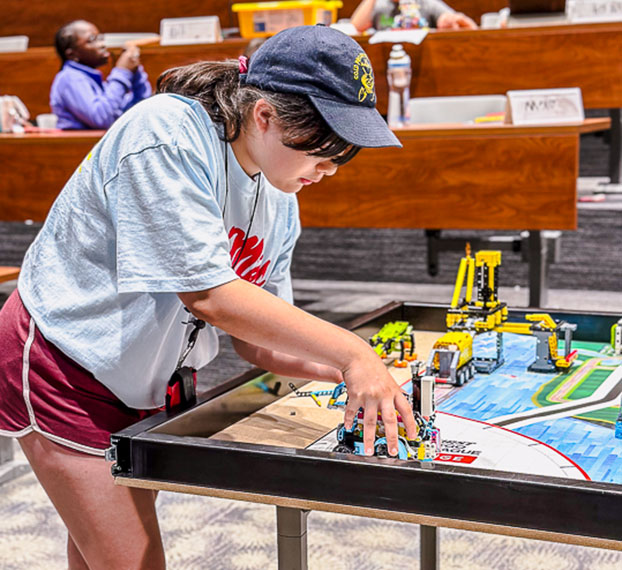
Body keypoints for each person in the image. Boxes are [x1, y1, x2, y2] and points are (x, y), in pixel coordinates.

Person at [0, 25, 416, 568]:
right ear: (264, 115)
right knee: (134, 558)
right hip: (65, 367)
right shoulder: (166, 133)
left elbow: (261, 342)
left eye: (344, 155)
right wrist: (352, 353)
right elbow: (210, 298)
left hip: (142, 379)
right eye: (322, 149)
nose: (330, 169)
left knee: (102, 551)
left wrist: (366, 376)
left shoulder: (280, 194)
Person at [50, 20, 152, 130]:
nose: (103, 44)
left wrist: (135, 72)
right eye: (92, 40)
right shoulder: (70, 78)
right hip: (80, 146)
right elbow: (102, 119)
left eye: (100, 38)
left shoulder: (91, 79)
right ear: (72, 54)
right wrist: (122, 72)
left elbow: (137, 108)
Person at [350, 0, 477, 32]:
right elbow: (355, 27)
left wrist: (454, 20)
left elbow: (471, 27)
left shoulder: (426, 3)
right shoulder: (379, 5)